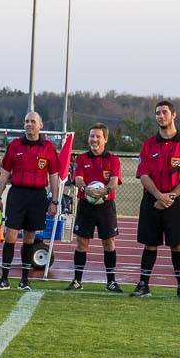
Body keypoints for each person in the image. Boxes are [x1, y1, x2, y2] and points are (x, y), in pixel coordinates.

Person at [133, 100, 180, 300]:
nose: (160, 116)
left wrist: (170, 197)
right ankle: (143, 284)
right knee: (149, 244)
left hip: (176, 202)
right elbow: (143, 175)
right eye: (157, 113)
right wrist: (159, 196)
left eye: (164, 112)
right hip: (152, 200)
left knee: (177, 245)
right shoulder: (148, 145)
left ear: (173, 115)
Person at [0, 112, 61, 291]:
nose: (29, 124)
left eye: (32, 121)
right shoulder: (15, 145)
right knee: (11, 235)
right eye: (26, 121)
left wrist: (54, 200)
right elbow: (5, 172)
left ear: (41, 125)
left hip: (37, 196)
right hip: (17, 195)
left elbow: (54, 176)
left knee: (29, 238)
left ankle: (25, 280)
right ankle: (4, 279)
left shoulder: (48, 148)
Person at [69, 123, 123, 291]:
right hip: (86, 205)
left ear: (105, 139)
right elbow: (78, 179)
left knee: (109, 243)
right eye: (92, 136)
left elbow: (114, 180)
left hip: (105, 206)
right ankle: (77, 281)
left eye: (98, 136)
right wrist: (87, 190)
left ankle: (111, 282)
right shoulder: (81, 158)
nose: (94, 139)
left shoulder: (113, 159)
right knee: (81, 243)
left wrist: (104, 191)